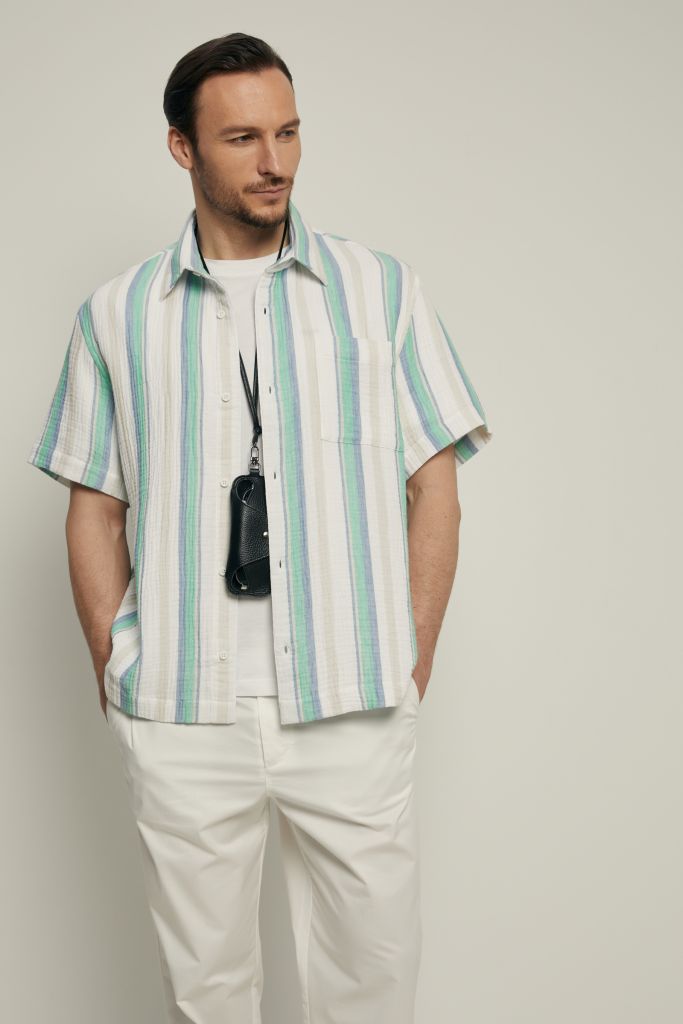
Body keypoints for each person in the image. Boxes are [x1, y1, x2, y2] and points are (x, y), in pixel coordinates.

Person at [27, 30, 493, 1024]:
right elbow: (93, 504)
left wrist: (408, 656)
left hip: (352, 697)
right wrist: (118, 667)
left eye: (287, 132)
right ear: (181, 148)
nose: (274, 161)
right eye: (241, 138)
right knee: (205, 992)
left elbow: (435, 482)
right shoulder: (115, 316)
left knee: (371, 986)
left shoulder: (380, 291)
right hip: (182, 704)